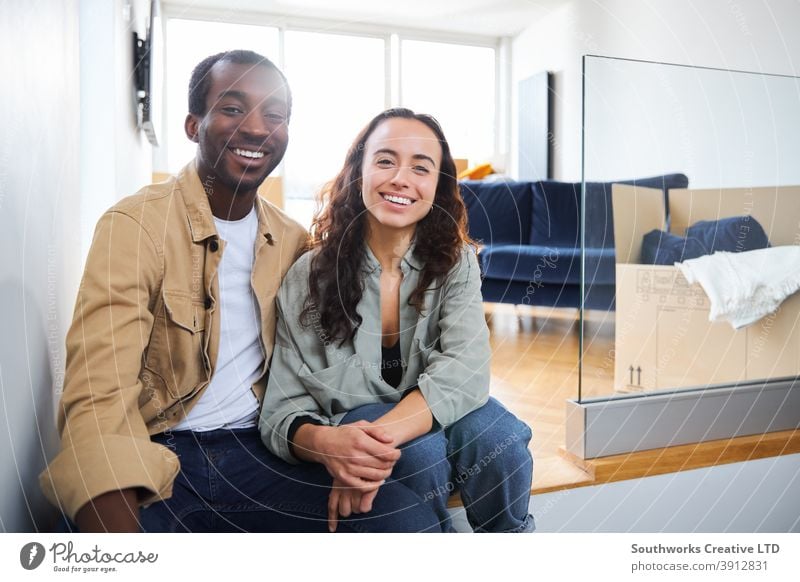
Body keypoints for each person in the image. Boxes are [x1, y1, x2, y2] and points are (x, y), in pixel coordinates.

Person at [38, 51, 439, 533]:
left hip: (262, 450)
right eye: (232, 109)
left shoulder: (293, 242)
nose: (256, 129)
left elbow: (326, 369)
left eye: (275, 116)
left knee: (407, 524)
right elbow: (97, 398)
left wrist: (331, 444)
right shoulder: (134, 226)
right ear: (193, 125)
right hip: (159, 458)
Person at [260, 108, 535, 532]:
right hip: (354, 421)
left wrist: (374, 446)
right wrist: (336, 449)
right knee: (418, 455)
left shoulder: (457, 262)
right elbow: (284, 406)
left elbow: (467, 369)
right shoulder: (309, 275)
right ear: (359, 171)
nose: (401, 178)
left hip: (414, 417)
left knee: (502, 437)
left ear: (438, 186)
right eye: (385, 160)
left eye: (420, 168)